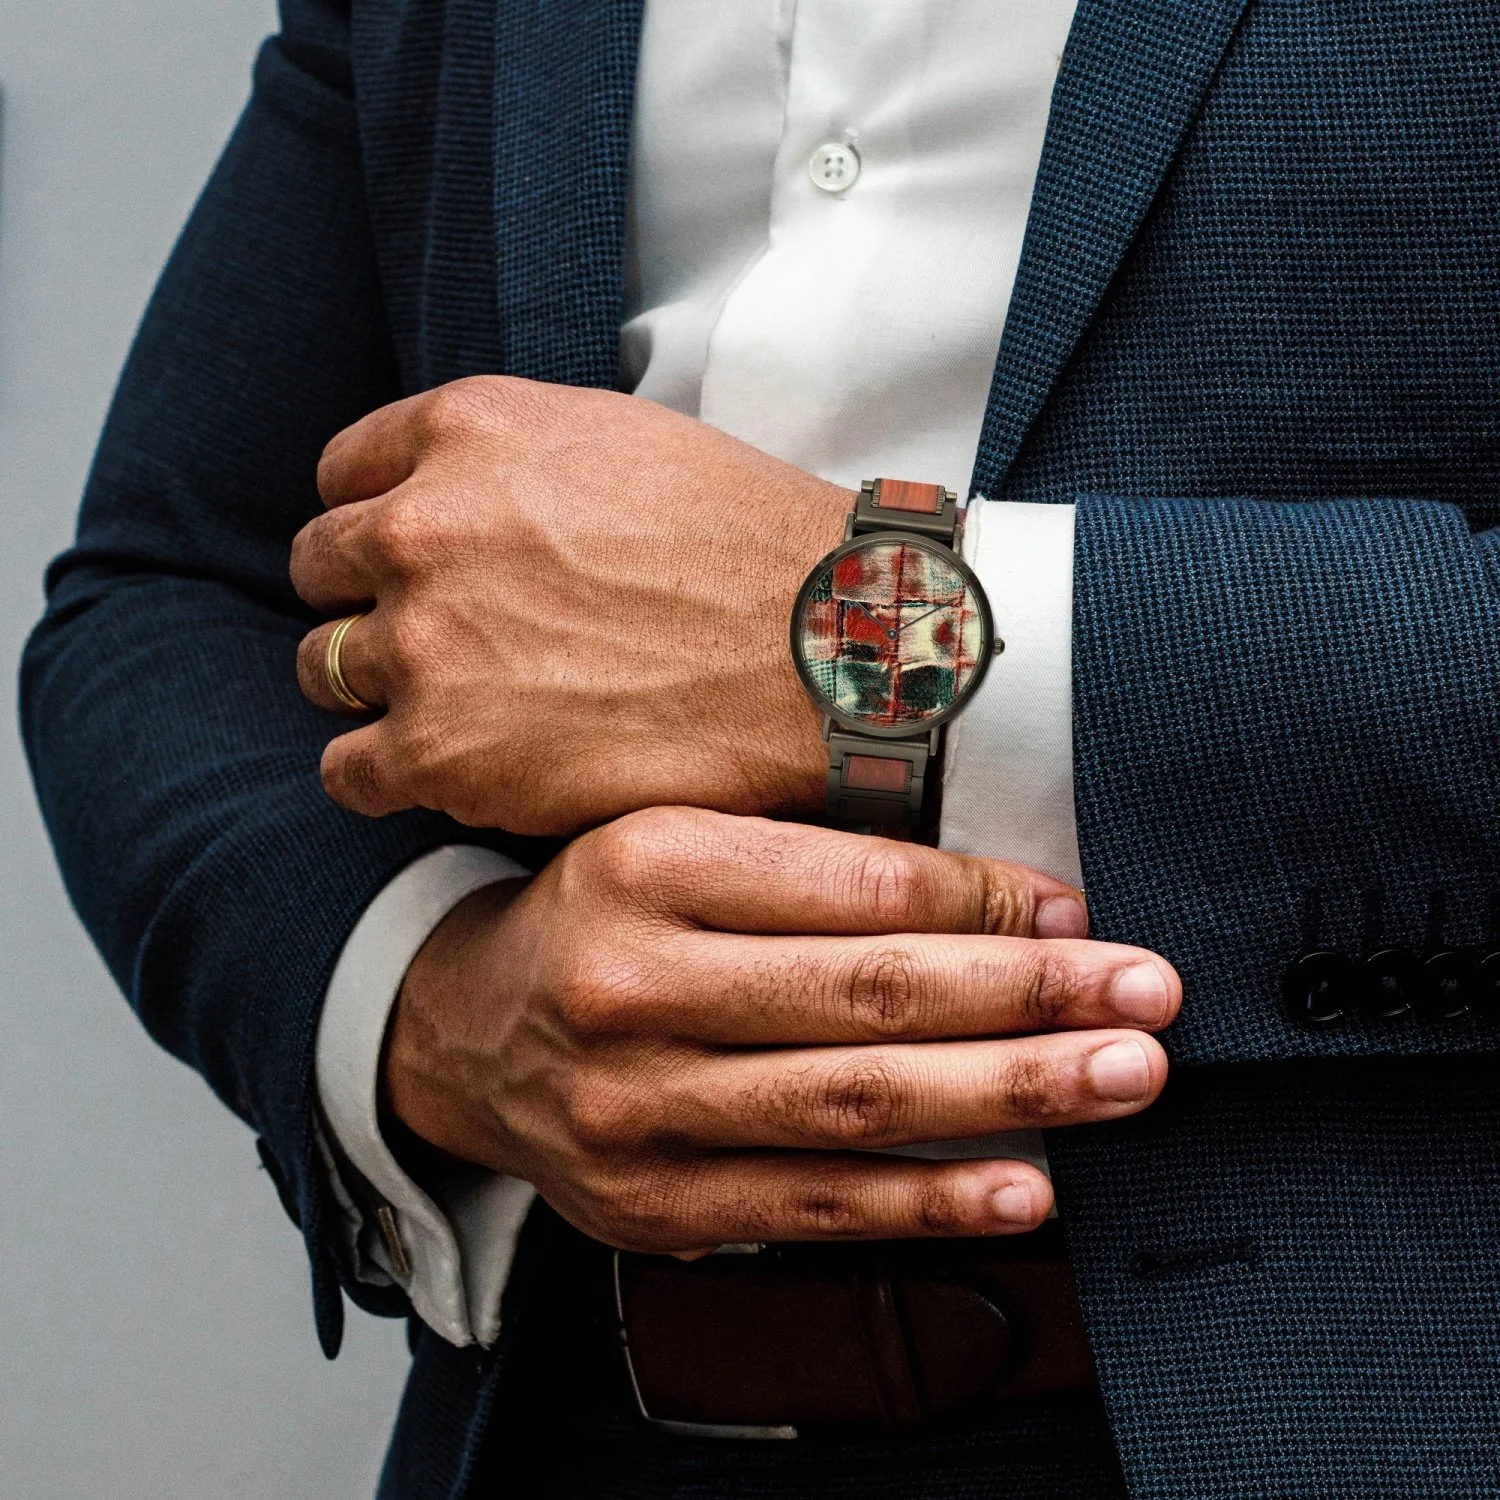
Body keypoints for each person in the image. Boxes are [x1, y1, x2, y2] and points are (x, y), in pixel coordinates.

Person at [22, 0, 1500, 1495]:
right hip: (574, 1410)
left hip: (1368, 1401)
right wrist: (434, 999)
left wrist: (867, 644)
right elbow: (172, 592)